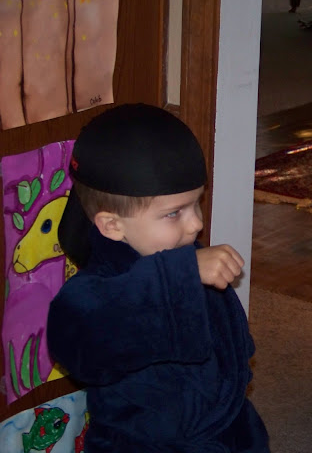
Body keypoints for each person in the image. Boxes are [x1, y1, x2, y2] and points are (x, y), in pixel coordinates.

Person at [47, 104, 270, 452]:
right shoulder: (94, 293)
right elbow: (80, 343)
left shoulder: (185, 263)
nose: (196, 223)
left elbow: (231, 355)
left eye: (196, 203)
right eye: (174, 213)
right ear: (112, 225)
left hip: (224, 429)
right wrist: (178, 279)